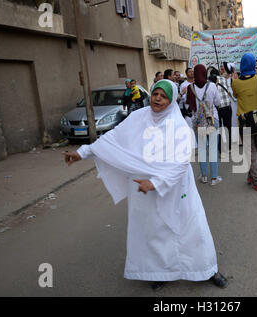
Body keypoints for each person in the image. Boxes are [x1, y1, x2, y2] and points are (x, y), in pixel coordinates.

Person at [62, 79, 227, 291]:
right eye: (155, 94)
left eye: (164, 96)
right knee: (154, 233)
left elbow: (180, 164)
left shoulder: (179, 126)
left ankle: (208, 269)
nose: (158, 98)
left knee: (192, 229)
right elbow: (112, 138)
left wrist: (156, 182)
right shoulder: (138, 117)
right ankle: (161, 271)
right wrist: (81, 152)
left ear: (171, 100)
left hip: (176, 188)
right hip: (144, 187)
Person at [232, 53, 257, 192]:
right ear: (254, 65)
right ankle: (255, 179)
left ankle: (254, 178)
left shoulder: (235, 83)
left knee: (250, 152)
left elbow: (235, 95)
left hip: (245, 122)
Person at [186, 64, 223, 186]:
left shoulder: (190, 87)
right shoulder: (211, 85)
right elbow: (218, 102)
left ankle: (204, 176)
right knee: (212, 148)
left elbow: (189, 106)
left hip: (199, 122)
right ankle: (214, 178)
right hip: (212, 120)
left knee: (202, 148)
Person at [216, 62, 236, 152]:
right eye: (220, 68)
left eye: (223, 68)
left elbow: (234, 93)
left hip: (230, 104)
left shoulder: (232, 78)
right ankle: (221, 148)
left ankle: (230, 146)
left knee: (229, 126)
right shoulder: (216, 79)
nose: (221, 70)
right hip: (221, 106)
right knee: (221, 128)